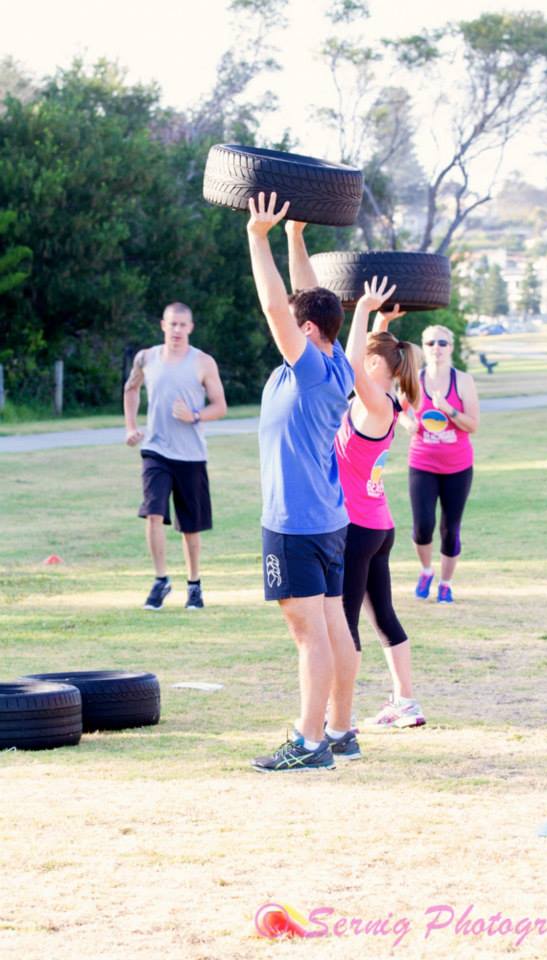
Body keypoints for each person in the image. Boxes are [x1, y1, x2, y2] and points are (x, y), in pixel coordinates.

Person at [246, 193, 359, 773]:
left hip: (295, 522)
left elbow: (275, 306)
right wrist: (295, 237)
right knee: (334, 625)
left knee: (307, 634)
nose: (287, 324)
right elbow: (312, 298)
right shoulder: (336, 357)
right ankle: (340, 729)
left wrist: (258, 235)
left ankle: (310, 742)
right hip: (329, 518)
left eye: (298, 322)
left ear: (308, 330)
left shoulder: (311, 367)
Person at [336, 292, 428, 729]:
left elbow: (354, 359)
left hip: (357, 529)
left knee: (346, 622)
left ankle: (342, 716)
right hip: (378, 526)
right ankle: (406, 703)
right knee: (383, 617)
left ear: (376, 367)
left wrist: (362, 311)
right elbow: (372, 357)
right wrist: (381, 325)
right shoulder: (389, 402)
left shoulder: (373, 403)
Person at [123, 302, 227, 610]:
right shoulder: (146, 358)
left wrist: (194, 414)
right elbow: (131, 389)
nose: (177, 330)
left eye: (183, 325)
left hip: (191, 455)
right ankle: (160, 581)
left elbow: (220, 407)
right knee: (153, 513)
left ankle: (194, 585)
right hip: (155, 450)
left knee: (190, 528)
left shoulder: (203, 362)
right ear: (163, 325)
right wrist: (130, 426)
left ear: (191, 328)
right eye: (172, 324)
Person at [399, 323, 479, 603]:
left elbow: (472, 425)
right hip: (422, 462)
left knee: (450, 528)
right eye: (431, 343)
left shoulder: (464, 381)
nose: (437, 348)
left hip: (457, 466)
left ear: (451, 348)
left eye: (442, 343)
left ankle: (446, 583)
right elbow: (400, 412)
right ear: (424, 347)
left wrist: (449, 409)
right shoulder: (413, 379)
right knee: (422, 526)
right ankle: (425, 571)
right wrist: (408, 423)